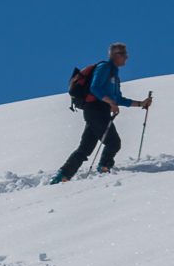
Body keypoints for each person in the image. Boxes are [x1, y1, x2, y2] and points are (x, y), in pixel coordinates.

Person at [53, 43, 152, 183]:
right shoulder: (104, 67)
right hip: (95, 110)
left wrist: (141, 103)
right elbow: (95, 88)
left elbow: (118, 98)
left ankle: (62, 175)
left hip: (99, 111)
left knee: (85, 148)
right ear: (115, 55)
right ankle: (104, 169)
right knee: (113, 143)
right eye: (123, 53)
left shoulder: (114, 75)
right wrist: (110, 102)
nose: (127, 56)